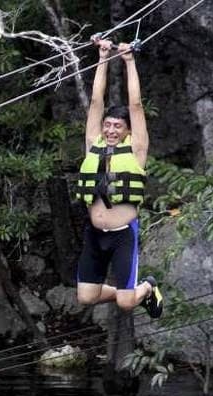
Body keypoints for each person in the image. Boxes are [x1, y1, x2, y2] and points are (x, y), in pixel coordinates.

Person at [75, 38, 163, 318]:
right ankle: (130, 290)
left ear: (127, 130)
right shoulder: (93, 144)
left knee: (126, 303)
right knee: (86, 296)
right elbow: (95, 101)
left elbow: (135, 105)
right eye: (108, 125)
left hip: (123, 235)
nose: (111, 130)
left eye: (118, 126)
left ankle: (147, 287)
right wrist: (103, 57)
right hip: (94, 234)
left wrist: (128, 61)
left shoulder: (136, 150)